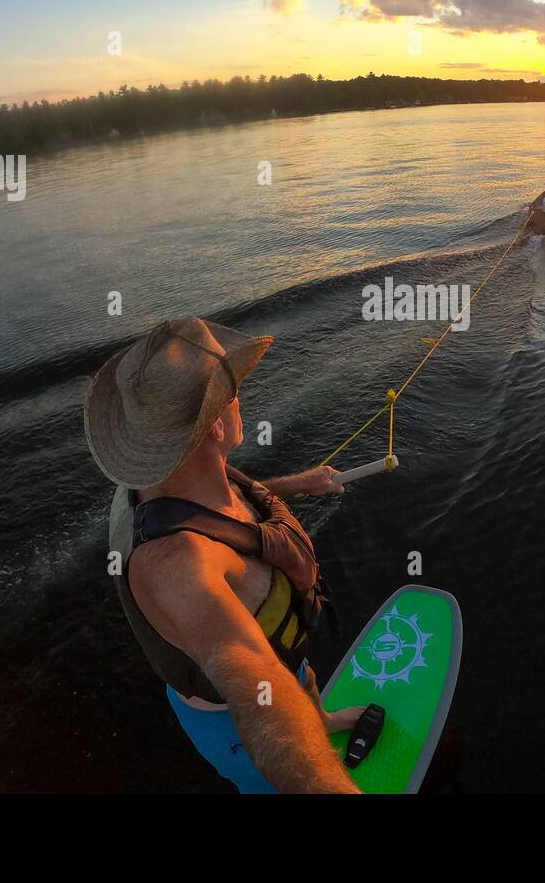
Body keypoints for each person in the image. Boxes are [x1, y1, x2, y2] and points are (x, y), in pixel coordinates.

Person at [84, 315, 363, 793]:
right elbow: (258, 689)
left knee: (299, 676)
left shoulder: (170, 475)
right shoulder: (179, 567)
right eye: (233, 394)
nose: (241, 400)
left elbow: (224, 517)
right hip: (237, 723)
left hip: (286, 661)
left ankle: (324, 717)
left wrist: (299, 484)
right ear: (215, 423)